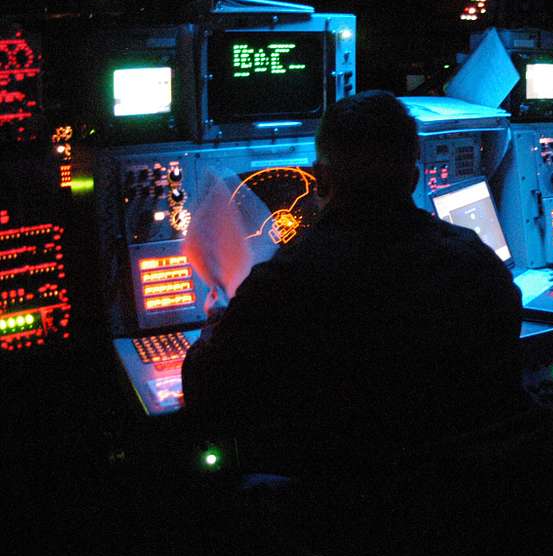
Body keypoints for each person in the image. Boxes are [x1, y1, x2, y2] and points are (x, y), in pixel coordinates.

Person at [182, 91, 524, 478]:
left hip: (337, 514)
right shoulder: (477, 262)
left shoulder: (283, 283)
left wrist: (214, 326)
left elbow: (206, 395)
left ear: (321, 178)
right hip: (458, 502)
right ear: (413, 178)